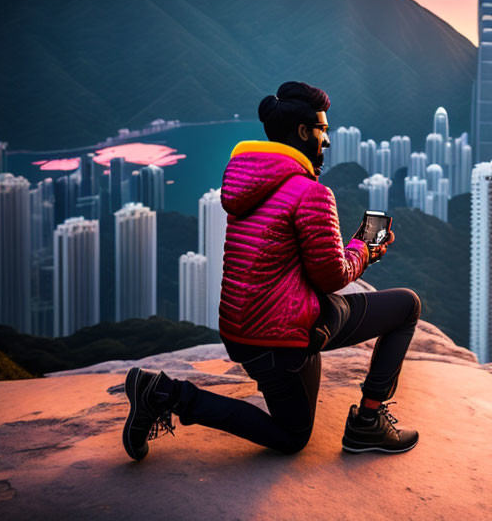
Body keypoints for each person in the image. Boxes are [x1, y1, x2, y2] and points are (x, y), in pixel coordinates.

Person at [122, 81, 421, 460]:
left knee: (401, 305)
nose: (326, 141)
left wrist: (355, 251)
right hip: (280, 340)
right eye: (322, 130)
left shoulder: (247, 182)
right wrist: (366, 246)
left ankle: (366, 423)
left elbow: (304, 270)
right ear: (302, 132)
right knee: (292, 436)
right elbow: (331, 277)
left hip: (244, 330)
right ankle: (164, 393)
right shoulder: (310, 192)